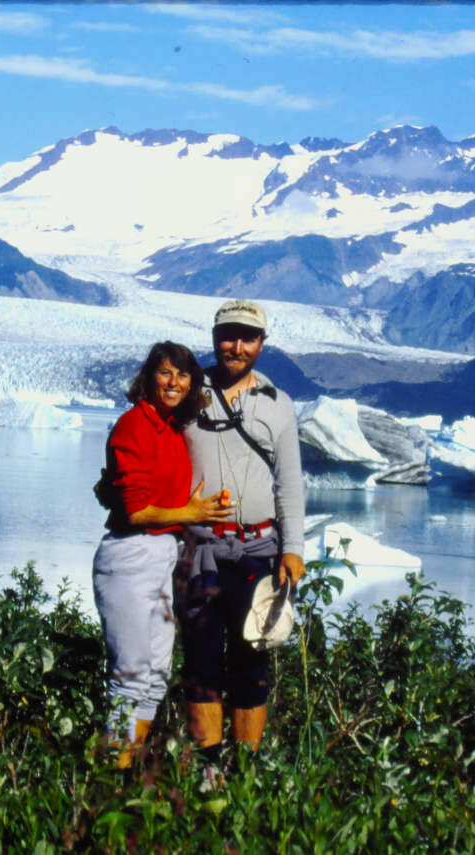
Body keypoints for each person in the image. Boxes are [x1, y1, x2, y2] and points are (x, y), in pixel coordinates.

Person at [92, 341, 234, 769]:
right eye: (165, 373)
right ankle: (108, 778)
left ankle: (126, 768)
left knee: (154, 677)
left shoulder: (171, 427)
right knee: (131, 674)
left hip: (162, 555)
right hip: (130, 556)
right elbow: (136, 510)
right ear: (149, 377)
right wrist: (189, 511)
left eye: (183, 375)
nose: (174, 383)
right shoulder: (133, 426)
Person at [180, 299, 306, 763]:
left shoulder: (278, 406)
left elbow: (290, 483)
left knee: (252, 660)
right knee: (201, 663)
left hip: (260, 550)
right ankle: (208, 771)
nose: (236, 346)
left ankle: (247, 773)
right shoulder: (190, 392)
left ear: (261, 343)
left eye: (247, 337)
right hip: (203, 551)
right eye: (228, 335)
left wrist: (293, 549)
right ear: (215, 338)